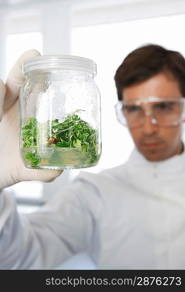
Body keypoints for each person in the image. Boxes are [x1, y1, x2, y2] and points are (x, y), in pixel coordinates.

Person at [1, 44, 185, 269]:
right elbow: (22, 258)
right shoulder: (93, 192)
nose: (148, 127)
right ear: (122, 111)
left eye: (164, 107)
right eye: (134, 109)